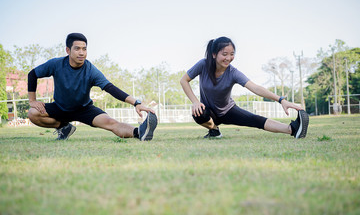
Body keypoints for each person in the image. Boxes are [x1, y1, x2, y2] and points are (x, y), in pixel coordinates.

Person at [27, 33, 157, 141]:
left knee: (111, 123)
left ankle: (140, 132)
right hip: (60, 108)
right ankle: (64, 127)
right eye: (77, 49)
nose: (81, 53)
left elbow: (111, 88)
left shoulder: (91, 70)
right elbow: (33, 74)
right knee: (33, 113)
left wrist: (136, 103)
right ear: (68, 50)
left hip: (84, 109)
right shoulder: (56, 64)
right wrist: (32, 100)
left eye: (84, 49)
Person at [180, 36, 309, 139]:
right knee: (198, 113)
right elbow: (184, 80)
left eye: (231, 54)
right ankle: (214, 131)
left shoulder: (233, 72)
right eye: (224, 54)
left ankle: (293, 129)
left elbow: (255, 88)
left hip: (228, 111)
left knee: (255, 120)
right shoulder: (203, 64)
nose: (228, 58)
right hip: (209, 112)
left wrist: (281, 100)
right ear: (214, 54)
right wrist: (195, 102)